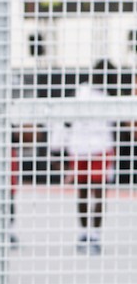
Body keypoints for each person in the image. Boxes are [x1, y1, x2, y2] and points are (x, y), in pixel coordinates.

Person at [50, 62, 119, 254]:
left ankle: (92, 234)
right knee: (88, 193)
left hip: (96, 149)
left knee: (94, 193)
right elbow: (65, 122)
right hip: (83, 149)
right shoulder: (81, 94)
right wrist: (57, 148)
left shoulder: (106, 97)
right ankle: (86, 233)